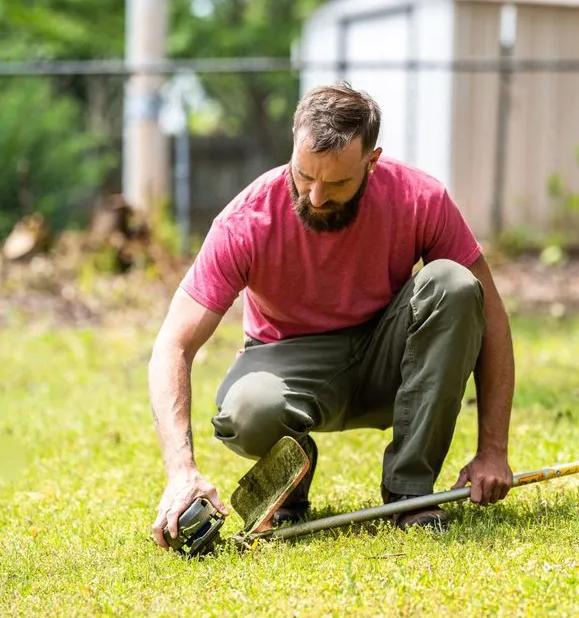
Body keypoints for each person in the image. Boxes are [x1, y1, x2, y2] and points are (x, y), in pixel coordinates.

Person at [149, 83, 515, 549]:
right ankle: (291, 481)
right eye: (305, 176)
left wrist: (493, 451)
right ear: (293, 147)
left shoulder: (419, 198)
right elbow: (173, 345)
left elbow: (494, 319)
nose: (317, 197)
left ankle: (409, 490)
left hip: (390, 355)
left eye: (338, 183)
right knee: (246, 411)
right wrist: (181, 473)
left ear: (372, 160)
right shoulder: (246, 222)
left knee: (456, 284)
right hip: (290, 358)